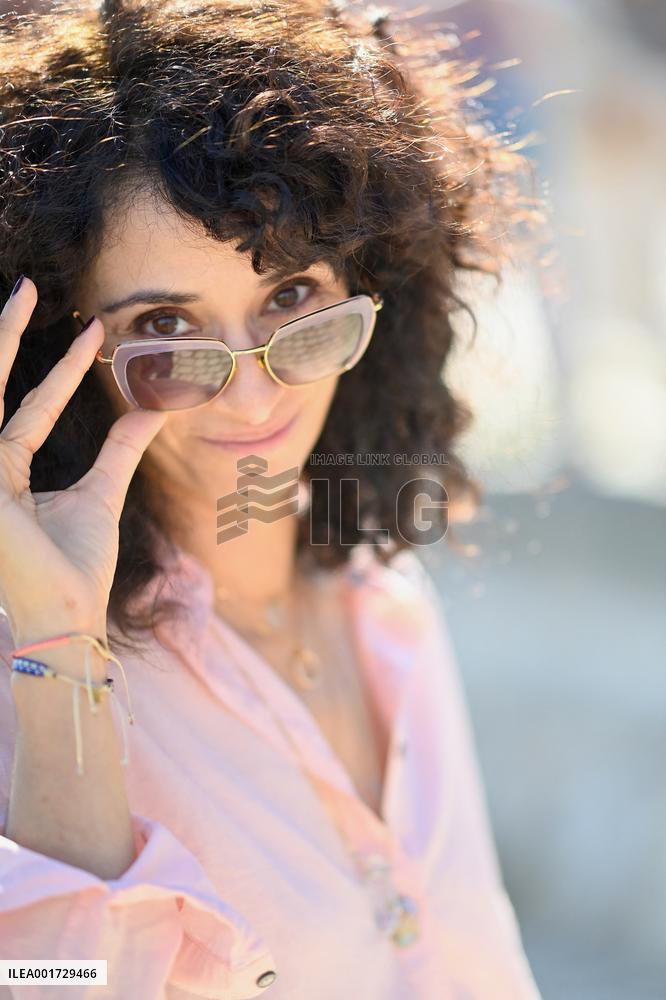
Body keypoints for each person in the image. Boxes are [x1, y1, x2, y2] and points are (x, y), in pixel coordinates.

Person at [0, 0, 542, 996]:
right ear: (65, 358)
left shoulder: (386, 601)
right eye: (166, 324)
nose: (254, 390)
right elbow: (50, 981)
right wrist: (52, 639)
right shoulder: (26, 677)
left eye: (291, 297)